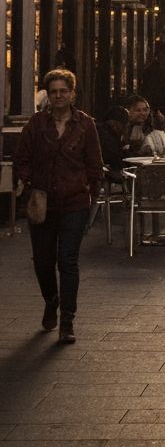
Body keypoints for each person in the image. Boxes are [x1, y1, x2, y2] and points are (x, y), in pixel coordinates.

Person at [13, 69, 103, 344]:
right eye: (54, 92)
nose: (59, 96)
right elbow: (22, 157)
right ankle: (51, 299)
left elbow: (94, 164)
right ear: (48, 96)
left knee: (67, 261)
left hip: (74, 202)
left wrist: (91, 194)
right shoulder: (36, 124)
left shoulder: (85, 125)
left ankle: (67, 320)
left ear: (72, 93)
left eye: (63, 91)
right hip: (42, 202)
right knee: (42, 261)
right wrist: (26, 184)